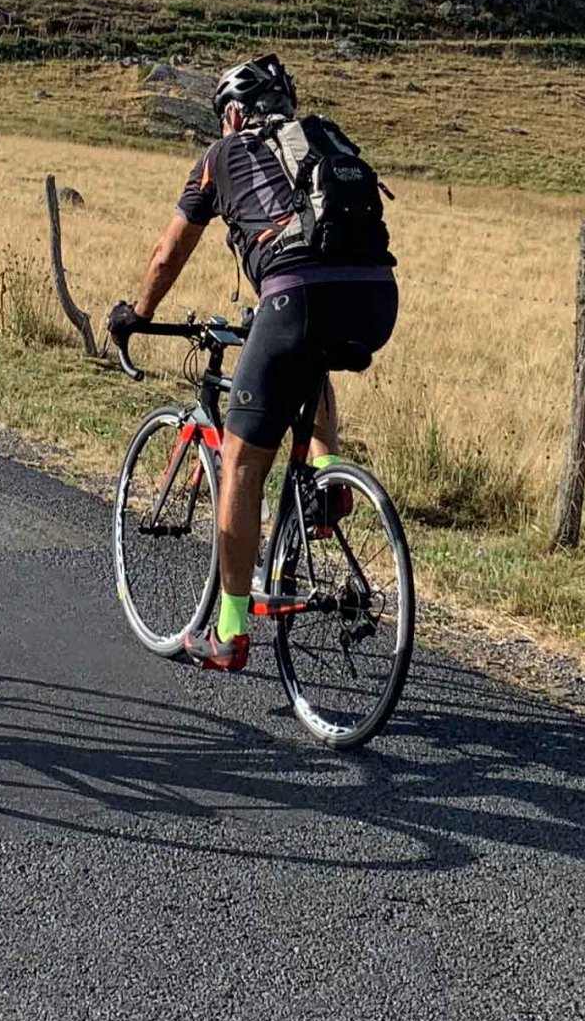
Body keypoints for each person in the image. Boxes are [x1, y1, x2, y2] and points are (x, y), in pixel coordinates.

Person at [111, 54, 397, 672]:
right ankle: (328, 478)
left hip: (296, 294)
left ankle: (229, 632)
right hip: (375, 296)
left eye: (223, 116)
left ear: (233, 112)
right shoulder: (317, 140)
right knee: (309, 361)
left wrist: (137, 312)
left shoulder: (222, 155)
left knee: (241, 465)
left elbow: (168, 254)